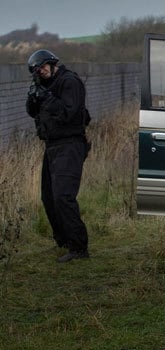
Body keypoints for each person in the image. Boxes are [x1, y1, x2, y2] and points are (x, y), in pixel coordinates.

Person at [25, 49, 92, 263]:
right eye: (37, 70)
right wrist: (34, 96)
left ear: (53, 64)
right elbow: (33, 112)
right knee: (48, 197)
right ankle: (63, 240)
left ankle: (79, 248)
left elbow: (68, 113)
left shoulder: (69, 82)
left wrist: (47, 97)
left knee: (63, 196)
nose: (41, 71)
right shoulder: (45, 85)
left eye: (44, 67)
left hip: (70, 144)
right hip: (51, 146)